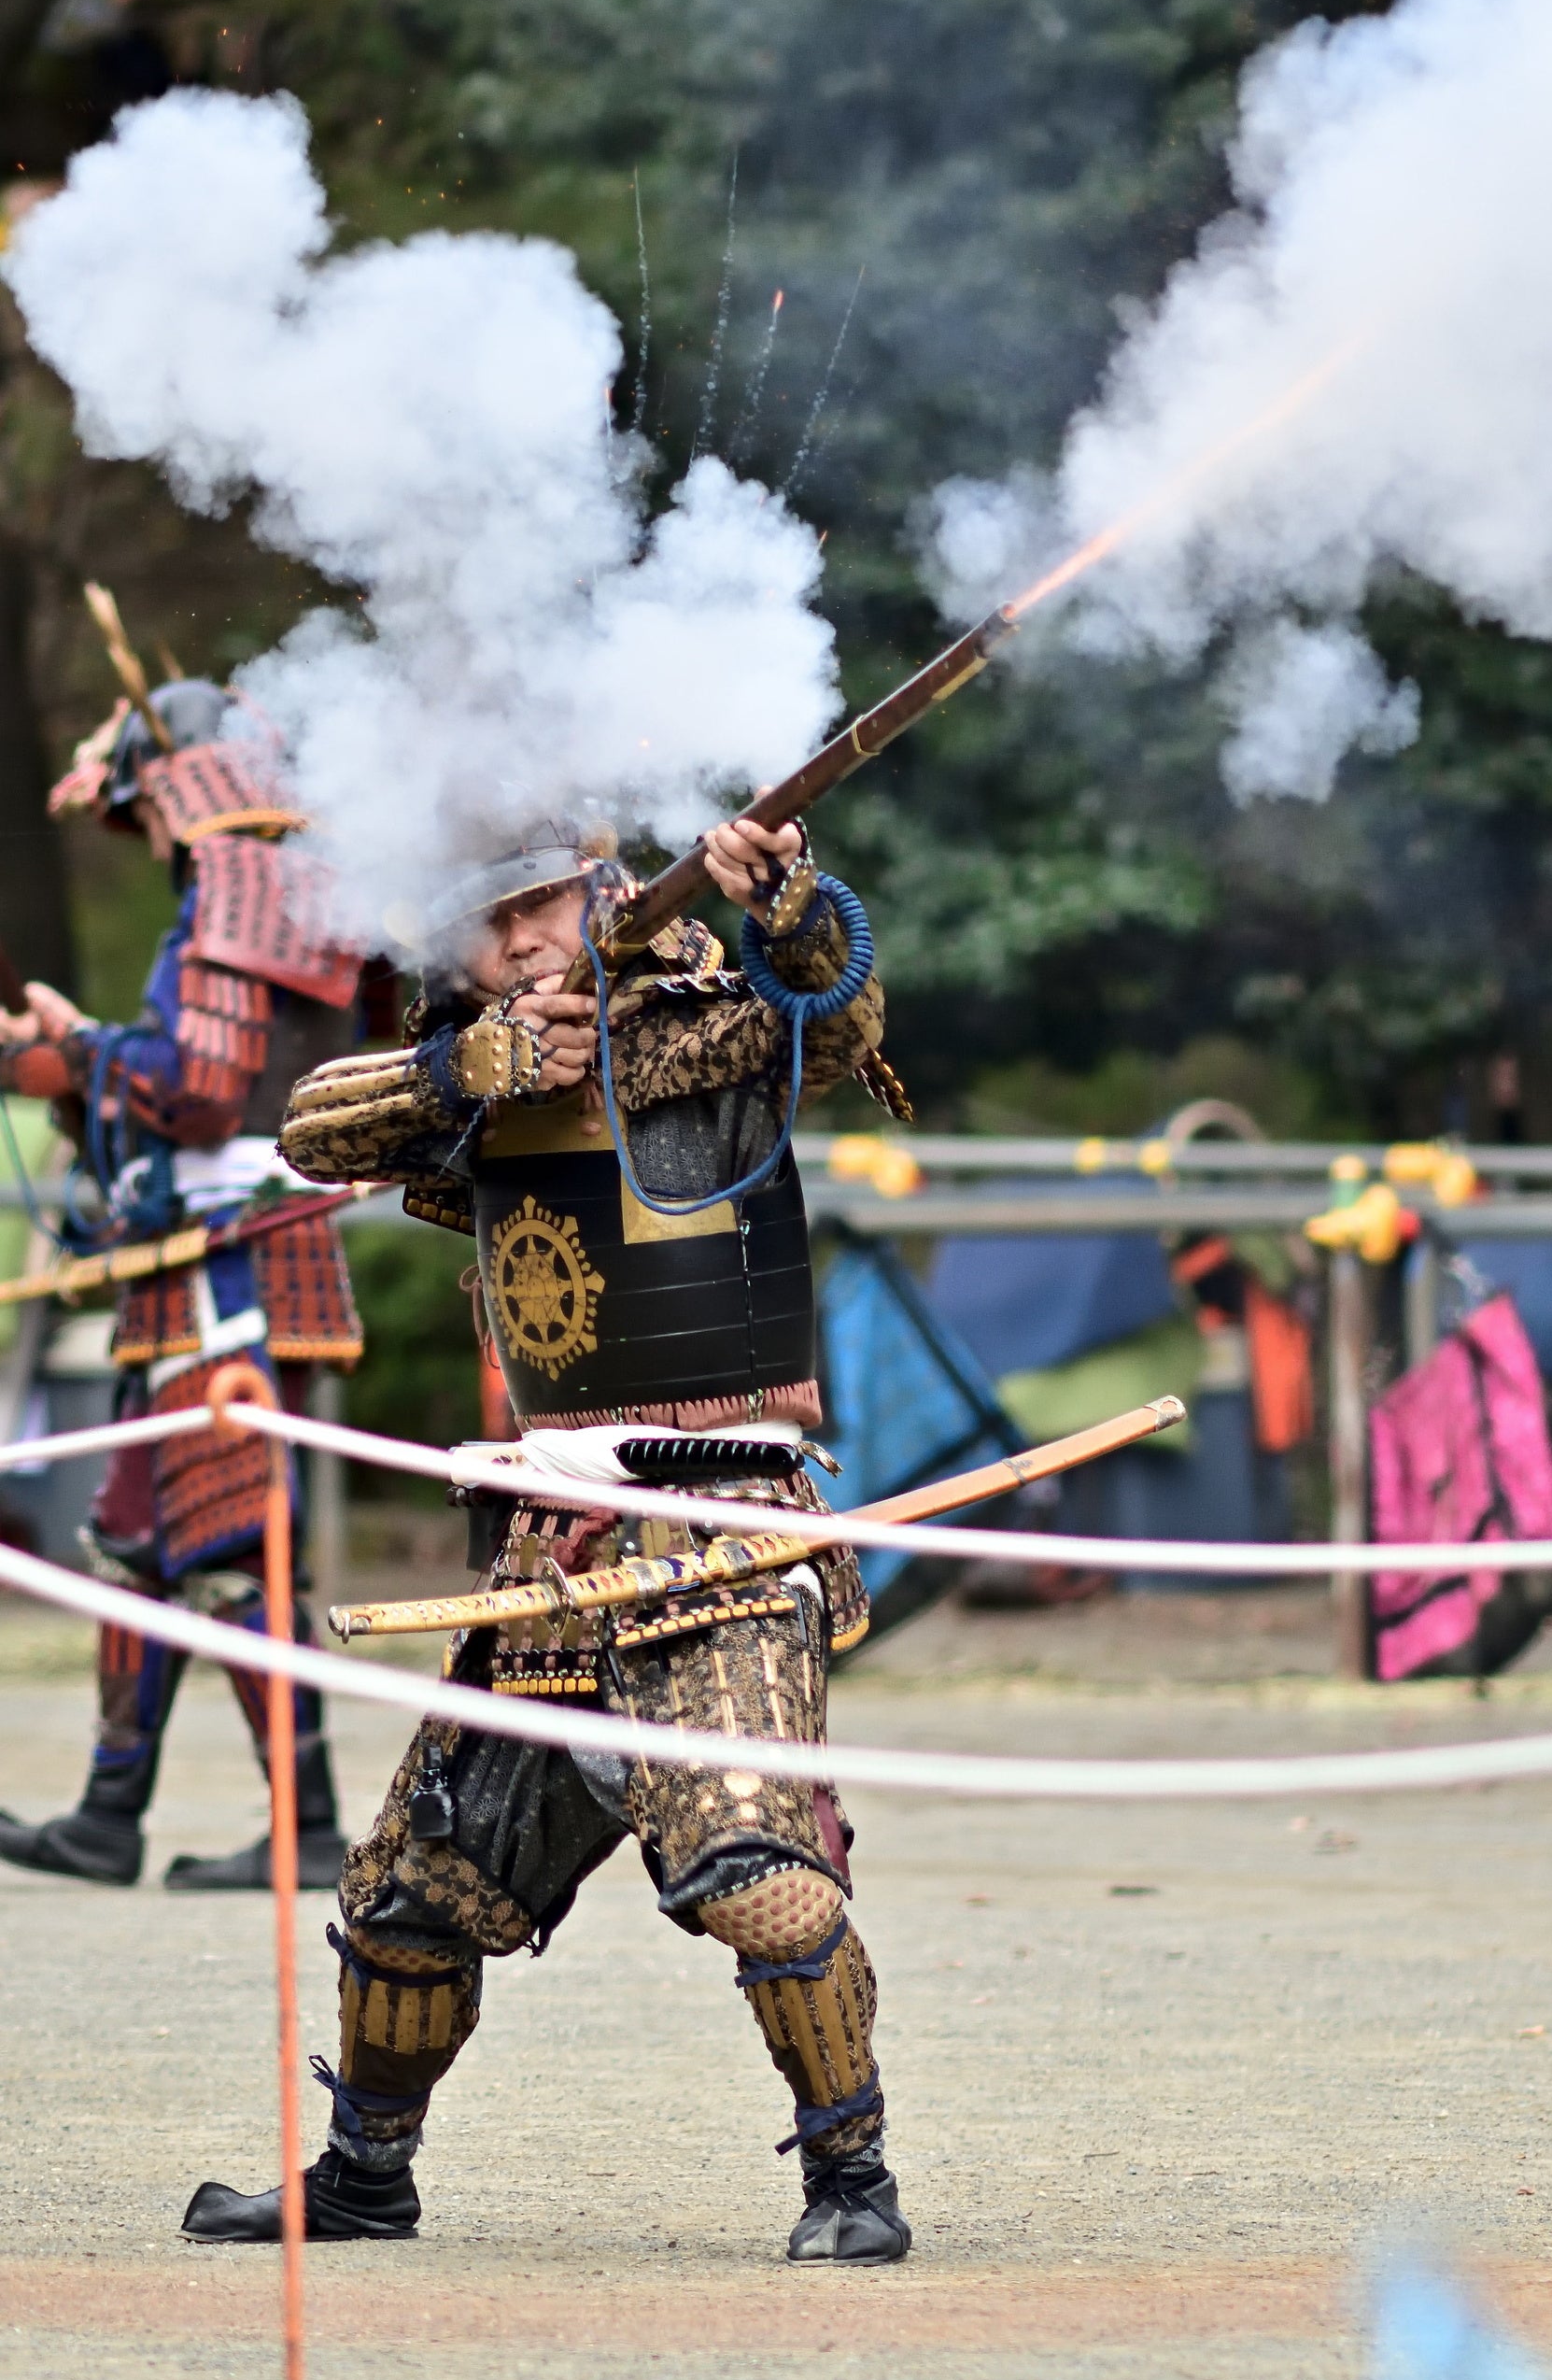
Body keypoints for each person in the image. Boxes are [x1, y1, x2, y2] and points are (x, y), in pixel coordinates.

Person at [180, 815, 914, 2264]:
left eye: (540, 906)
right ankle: (364, 2179)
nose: (517, 939)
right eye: (485, 919)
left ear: (601, 889)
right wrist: (467, 1067)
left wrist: (793, 906)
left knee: (759, 1876)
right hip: (551, 1554)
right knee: (406, 1898)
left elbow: (833, 1020)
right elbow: (312, 1129)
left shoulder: (706, 1021)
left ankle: (855, 2185)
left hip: (724, 1537)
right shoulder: (466, 1062)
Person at [0, 675, 367, 1891]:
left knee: (230, 1544)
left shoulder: (237, 882)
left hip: (231, 1251)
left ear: (182, 784)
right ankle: (111, 1816)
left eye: (144, 811)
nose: (144, 836)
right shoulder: (266, 887)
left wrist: (70, 1057)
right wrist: (89, 1053)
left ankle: (308, 1825)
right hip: (204, 1248)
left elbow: (202, 1086)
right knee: (136, 1536)